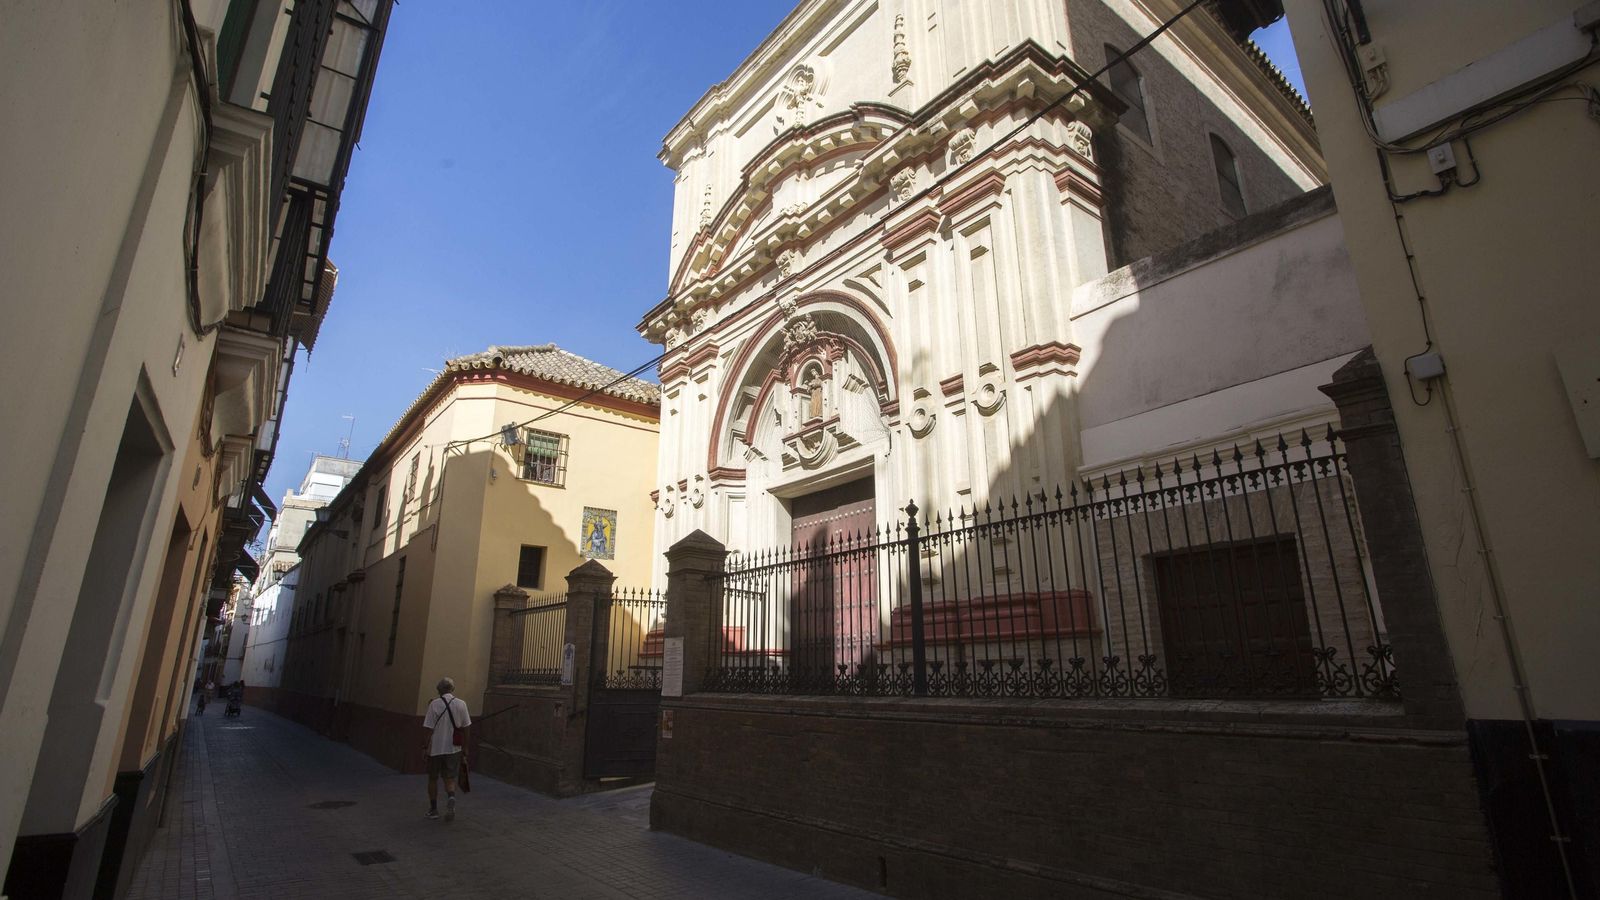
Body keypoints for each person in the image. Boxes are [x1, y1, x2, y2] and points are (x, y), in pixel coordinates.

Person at [422, 677, 470, 821]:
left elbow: (429, 728)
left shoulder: (434, 704)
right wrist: (465, 747)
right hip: (454, 748)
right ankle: (451, 797)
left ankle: (433, 809)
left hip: (435, 748)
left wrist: (425, 746)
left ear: (439, 690)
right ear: (452, 689)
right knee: (449, 778)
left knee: (432, 778)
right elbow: (467, 727)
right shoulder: (461, 704)